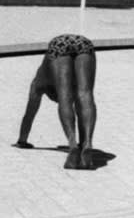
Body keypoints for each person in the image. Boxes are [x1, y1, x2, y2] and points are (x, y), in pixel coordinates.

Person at [14, 34, 97, 170]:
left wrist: (22, 141)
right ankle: (87, 144)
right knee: (86, 93)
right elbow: (81, 104)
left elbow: (29, 116)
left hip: (59, 45)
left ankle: (72, 145)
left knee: (65, 97)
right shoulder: (72, 85)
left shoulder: (37, 85)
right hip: (83, 43)